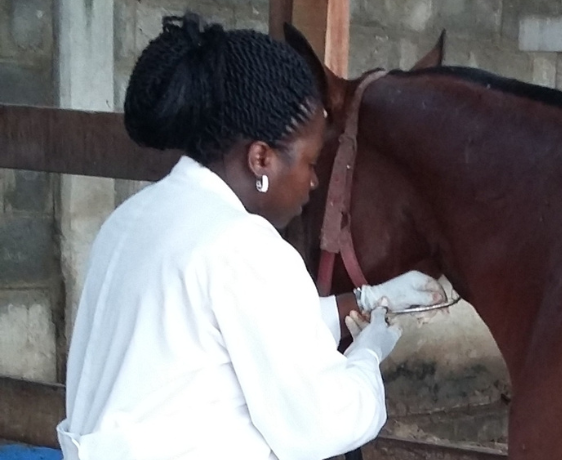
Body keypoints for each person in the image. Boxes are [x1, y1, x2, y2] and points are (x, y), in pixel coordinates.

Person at [54, 12, 446, 460]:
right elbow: (320, 424)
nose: (313, 182)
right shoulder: (243, 245)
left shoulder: (131, 219)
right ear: (261, 159)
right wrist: (368, 357)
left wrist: (369, 300)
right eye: (309, 162)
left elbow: (243, 324)